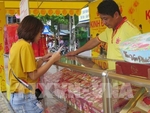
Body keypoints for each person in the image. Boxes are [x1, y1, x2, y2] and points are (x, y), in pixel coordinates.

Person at [66, 0, 141, 69]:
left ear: (116, 15)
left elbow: (140, 60)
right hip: (114, 78)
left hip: (125, 80)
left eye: (105, 19)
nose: (103, 22)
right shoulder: (109, 29)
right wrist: (76, 52)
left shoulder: (131, 31)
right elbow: (95, 40)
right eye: (102, 19)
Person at [8, 15, 61, 113]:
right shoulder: (26, 46)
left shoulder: (16, 45)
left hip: (18, 95)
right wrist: (52, 60)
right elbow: (33, 75)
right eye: (40, 32)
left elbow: (26, 70)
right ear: (33, 31)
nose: (41, 36)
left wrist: (42, 60)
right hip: (25, 97)